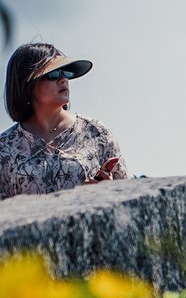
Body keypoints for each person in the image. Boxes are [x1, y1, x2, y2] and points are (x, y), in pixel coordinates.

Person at [0, 43, 127, 200]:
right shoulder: (4, 148)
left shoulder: (96, 132)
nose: (63, 79)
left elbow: (127, 199)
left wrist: (110, 191)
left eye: (66, 72)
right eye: (53, 74)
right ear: (27, 85)